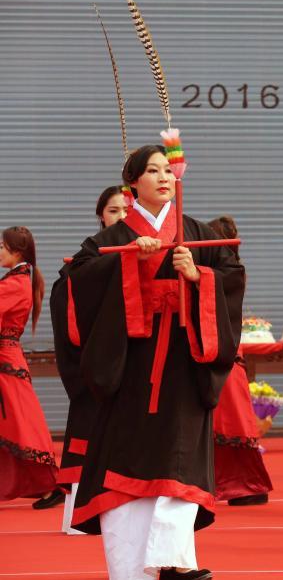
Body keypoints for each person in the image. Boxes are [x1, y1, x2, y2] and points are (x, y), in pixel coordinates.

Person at [54, 144, 245, 580]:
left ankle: (175, 560)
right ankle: (130, 569)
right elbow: (73, 283)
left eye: (168, 170)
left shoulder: (196, 232)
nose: (163, 177)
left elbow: (232, 275)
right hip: (130, 368)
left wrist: (199, 277)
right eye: (152, 170)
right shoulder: (111, 240)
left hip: (182, 362)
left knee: (180, 462)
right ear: (133, 183)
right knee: (125, 475)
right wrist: (128, 262)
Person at [51, 186, 129, 532]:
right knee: (89, 430)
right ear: (101, 215)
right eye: (114, 211)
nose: (121, 218)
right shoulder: (83, 265)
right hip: (98, 367)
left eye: (127, 211)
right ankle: (80, 516)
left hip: (137, 370)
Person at [207, 215, 273, 505]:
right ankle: (233, 483)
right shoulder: (223, 272)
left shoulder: (229, 274)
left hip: (224, 354)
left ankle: (246, 485)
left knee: (231, 420)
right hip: (217, 354)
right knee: (221, 421)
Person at [0, 227, 58, 507]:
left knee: (21, 424)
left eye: (3, 246)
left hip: (6, 360)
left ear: (17, 251)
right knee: (17, 423)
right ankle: (46, 485)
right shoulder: (19, 280)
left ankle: (48, 484)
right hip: (8, 358)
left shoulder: (15, 283)